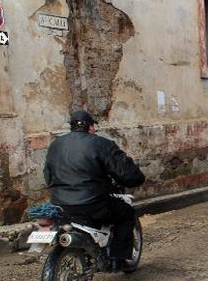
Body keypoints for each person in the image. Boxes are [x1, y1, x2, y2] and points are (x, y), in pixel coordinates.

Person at [44, 110, 146, 271]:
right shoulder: (101, 144)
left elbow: (48, 176)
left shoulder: (55, 145)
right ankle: (117, 260)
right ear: (90, 127)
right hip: (92, 205)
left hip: (59, 204)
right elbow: (125, 173)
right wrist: (137, 178)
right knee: (126, 213)